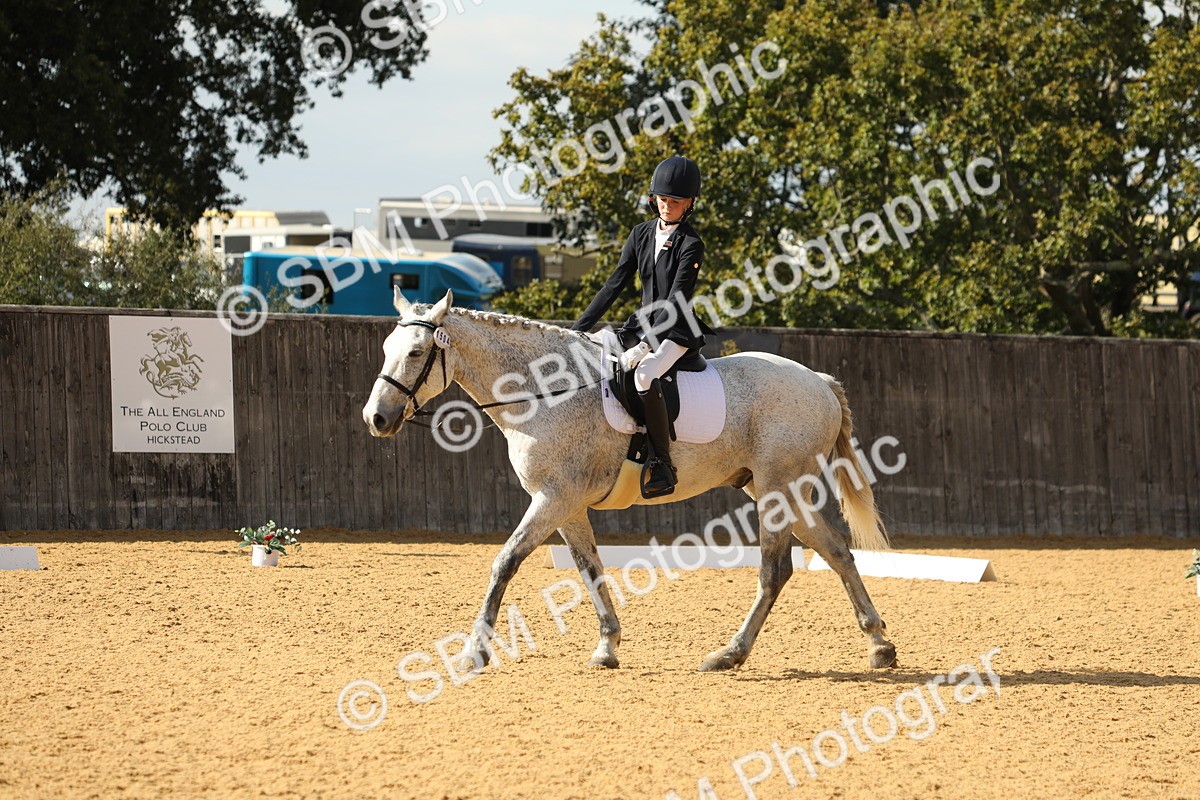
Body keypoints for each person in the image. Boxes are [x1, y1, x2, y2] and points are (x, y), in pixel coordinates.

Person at [571, 155, 714, 498]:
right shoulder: (641, 234)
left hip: (676, 329)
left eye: (676, 201)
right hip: (642, 325)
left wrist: (646, 346)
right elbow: (614, 285)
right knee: (600, 351)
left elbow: (675, 299)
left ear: (690, 204)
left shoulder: (691, 245)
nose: (668, 206)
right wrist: (577, 328)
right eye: (663, 199)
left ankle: (662, 464)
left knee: (644, 375)